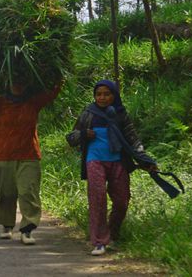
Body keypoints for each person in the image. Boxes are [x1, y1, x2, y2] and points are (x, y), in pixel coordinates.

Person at [66, 79, 156, 256]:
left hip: (118, 162)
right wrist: (84, 134)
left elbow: (133, 139)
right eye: (98, 94)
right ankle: (100, 241)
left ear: (114, 95)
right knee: (98, 200)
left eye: (107, 94)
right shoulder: (87, 114)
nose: (102, 97)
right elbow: (71, 137)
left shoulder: (121, 115)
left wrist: (146, 160)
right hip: (94, 161)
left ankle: (112, 234)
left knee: (122, 201)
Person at [0, 66, 61, 245]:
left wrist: (58, 72)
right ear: (7, 83)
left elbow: (54, 91)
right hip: (3, 155)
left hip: (29, 155)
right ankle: (7, 226)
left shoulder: (33, 103)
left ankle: (27, 230)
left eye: (21, 82)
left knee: (27, 192)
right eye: (14, 82)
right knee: (6, 193)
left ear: (27, 84)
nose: (18, 85)